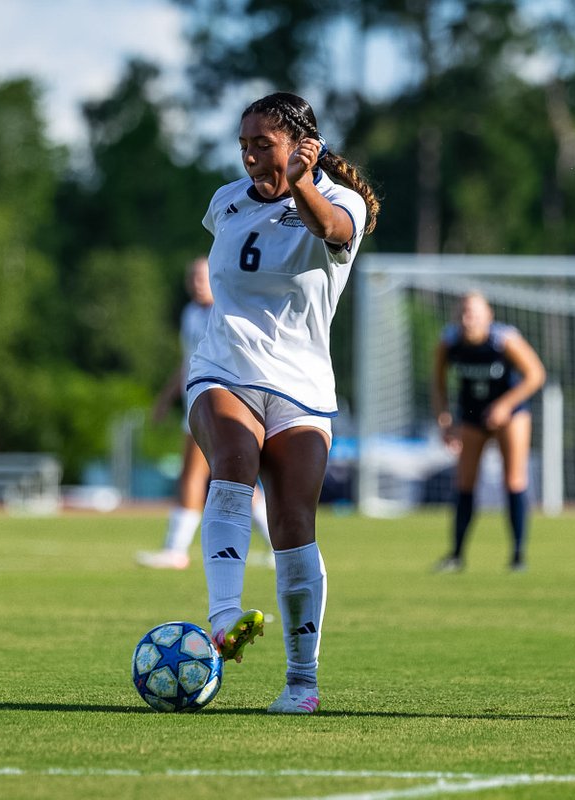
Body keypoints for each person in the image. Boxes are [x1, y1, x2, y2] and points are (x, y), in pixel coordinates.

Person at [186, 91, 379, 714]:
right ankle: (222, 618)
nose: (247, 155)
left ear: (299, 145)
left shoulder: (338, 201)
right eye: (243, 143)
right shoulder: (226, 202)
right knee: (234, 457)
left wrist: (302, 184)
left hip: (302, 389)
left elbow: (332, 229)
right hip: (224, 370)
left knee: (294, 524)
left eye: (261, 143)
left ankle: (302, 684)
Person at [136, 256, 276, 571]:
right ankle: (277, 545)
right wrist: (164, 399)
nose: (196, 283)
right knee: (239, 480)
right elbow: (188, 362)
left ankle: (175, 549)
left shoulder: (225, 311)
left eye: (202, 276)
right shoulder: (189, 314)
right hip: (194, 402)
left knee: (195, 473)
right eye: (192, 277)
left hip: (219, 404)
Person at [431, 292, 546, 573]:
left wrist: (505, 406)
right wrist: (445, 421)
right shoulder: (450, 342)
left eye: (474, 313)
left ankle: (518, 556)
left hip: (511, 415)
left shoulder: (503, 340)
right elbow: (438, 383)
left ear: (488, 316)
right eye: (463, 312)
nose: (468, 318)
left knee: (514, 479)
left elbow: (536, 374)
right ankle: (456, 556)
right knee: (465, 482)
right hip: (472, 414)